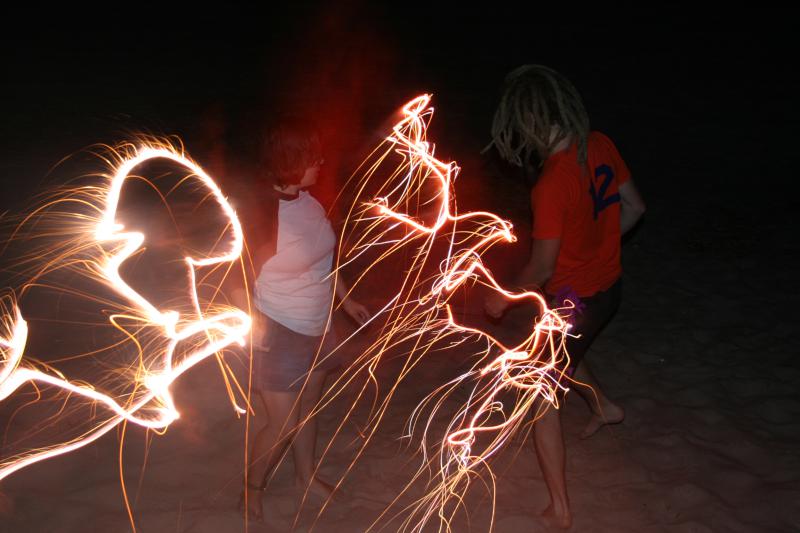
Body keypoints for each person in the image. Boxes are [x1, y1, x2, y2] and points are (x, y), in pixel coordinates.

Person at [484, 65, 646, 528]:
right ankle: (604, 407)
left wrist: (503, 298)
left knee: (537, 397)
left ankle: (559, 508)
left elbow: (542, 268)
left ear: (531, 122)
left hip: (574, 301)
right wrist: (603, 248)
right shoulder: (600, 143)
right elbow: (636, 207)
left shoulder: (552, 182)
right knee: (561, 349)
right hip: (609, 290)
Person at [238, 118, 370, 521]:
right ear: (290, 161)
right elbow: (235, 276)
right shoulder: (264, 213)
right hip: (279, 329)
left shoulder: (310, 200)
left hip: (319, 325)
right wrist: (252, 325)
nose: (321, 162)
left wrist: (345, 302)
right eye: (313, 157)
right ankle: (250, 491)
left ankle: (305, 477)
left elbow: (325, 261)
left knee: (310, 408)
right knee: (280, 424)